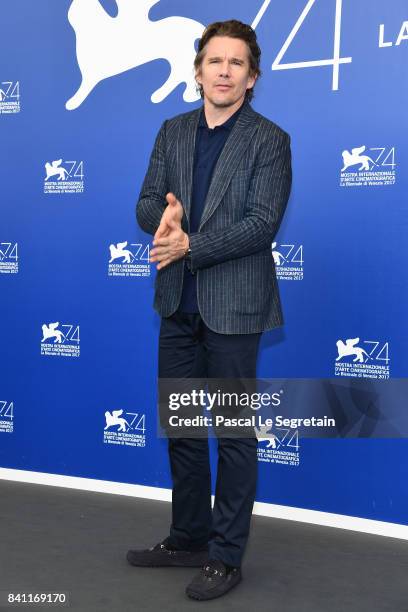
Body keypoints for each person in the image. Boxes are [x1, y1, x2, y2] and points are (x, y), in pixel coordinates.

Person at [127, 19, 292, 601]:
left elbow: (261, 224)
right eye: (214, 61)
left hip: (235, 309)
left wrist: (191, 243)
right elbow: (148, 202)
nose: (224, 71)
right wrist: (164, 222)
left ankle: (226, 556)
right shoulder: (171, 130)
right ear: (197, 70)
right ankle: (188, 537)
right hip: (177, 304)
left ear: (252, 76)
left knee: (233, 434)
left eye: (237, 63)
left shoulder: (269, 139)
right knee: (182, 429)